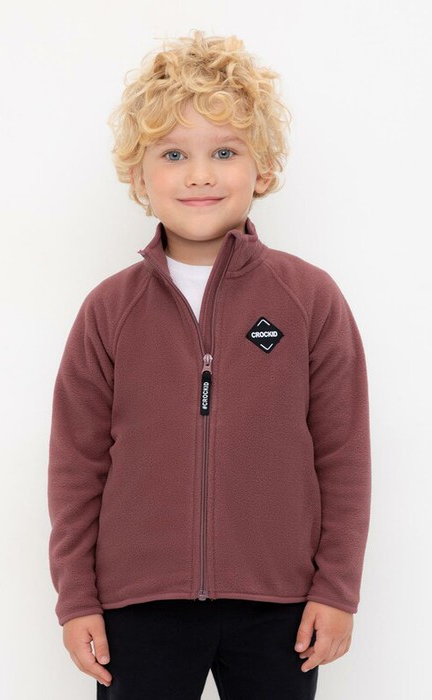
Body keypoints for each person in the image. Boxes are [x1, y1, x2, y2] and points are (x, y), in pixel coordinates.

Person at [47, 29, 372, 700]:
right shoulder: (110, 309)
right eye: (174, 154)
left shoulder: (309, 299)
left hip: (279, 606)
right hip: (138, 605)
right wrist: (76, 598)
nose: (200, 174)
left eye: (224, 151)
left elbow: (343, 454)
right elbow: (77, 463)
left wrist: (336, 588)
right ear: (138, 176)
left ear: (264, 168)